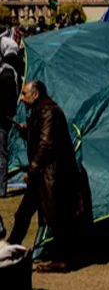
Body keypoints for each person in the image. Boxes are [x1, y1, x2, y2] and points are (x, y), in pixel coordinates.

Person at [7, 81, 91, 271]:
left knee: (56, 217)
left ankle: (63, 259)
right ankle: (11, 247)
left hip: (50, 174)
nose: (22, 98)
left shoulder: (47, 111)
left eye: (25, 94)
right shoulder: (41, 111)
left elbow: (46, 143)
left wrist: (33, 168)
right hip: (44, 174)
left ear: (35, 95)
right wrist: (26, 131)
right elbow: (41, 136)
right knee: (24, 213)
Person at [1, 38, 22, 198]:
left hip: (2, 120)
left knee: (1, 155)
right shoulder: (9, 73)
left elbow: (7, 101)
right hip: (5, 118)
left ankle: (1, 189)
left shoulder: (7, 75)